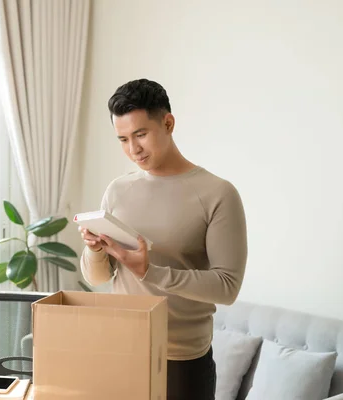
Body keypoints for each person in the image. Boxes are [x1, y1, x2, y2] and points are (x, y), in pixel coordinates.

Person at [79, 78, 248, 400]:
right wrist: (96, 251)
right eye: (123, 139)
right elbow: (98, 277)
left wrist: (149, 271)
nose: (133, 149)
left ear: (168, 123)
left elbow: (227, 287)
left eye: (141, 134)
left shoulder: (217, 194)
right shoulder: (118, 190)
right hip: (119, 350)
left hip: (181, 361)